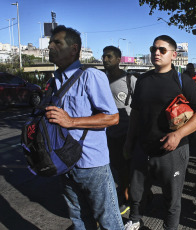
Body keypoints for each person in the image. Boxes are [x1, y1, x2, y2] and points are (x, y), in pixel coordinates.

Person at [123, 35, 196, 230]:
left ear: (173, 55)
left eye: (162, 50)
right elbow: (135, 114)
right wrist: (129, 141)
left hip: (173, 151)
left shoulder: (182, 81)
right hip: (142, 147)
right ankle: (134, 219)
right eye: (153, 49)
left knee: (172, 196)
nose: (156, 53)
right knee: (136, 189)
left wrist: (178, 135)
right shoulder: (142, 80)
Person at [46, 25, 124, 229]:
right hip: (64, 163)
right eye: (50, 43)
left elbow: (112, 117)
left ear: (73, 49)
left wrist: (71, 121)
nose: (50, 47)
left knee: (110, 222)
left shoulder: (90, 76)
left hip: (92, 164)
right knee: (79, 221)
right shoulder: (54, 81)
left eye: (57, 43)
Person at [102, 45, 137, 215]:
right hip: (108, 134)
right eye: (104, 56)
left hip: (127, 133)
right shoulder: (101, 80)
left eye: (109, 56)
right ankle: (127, 193)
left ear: (118, 59)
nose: (105, 60)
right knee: (116, 167)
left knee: (127, 168)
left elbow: (140, 106)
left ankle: (127, 198)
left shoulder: (130, 80)